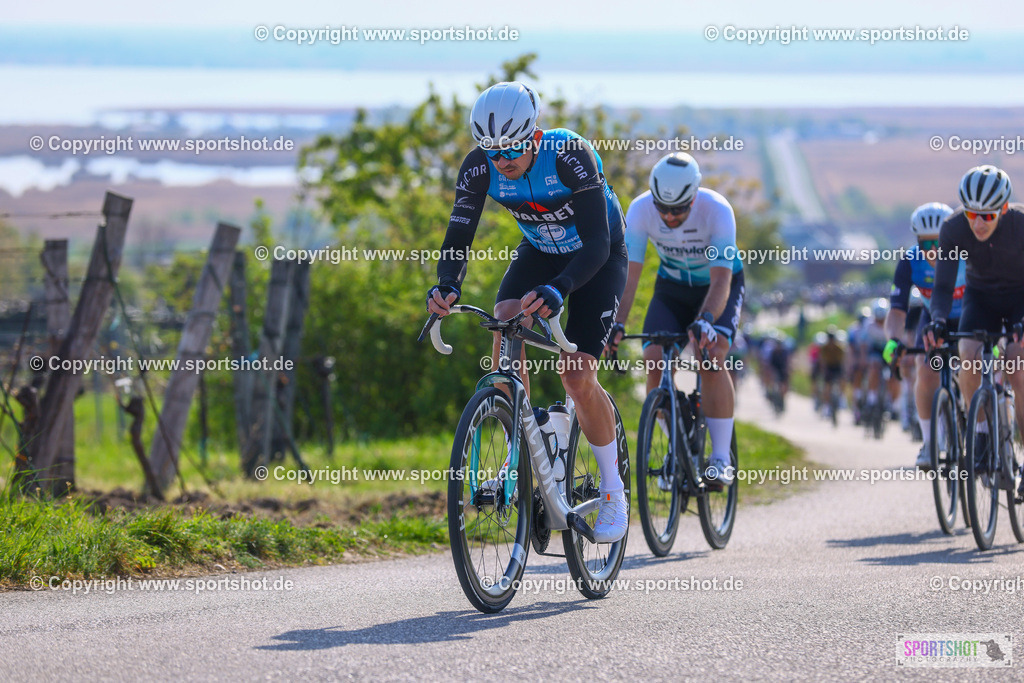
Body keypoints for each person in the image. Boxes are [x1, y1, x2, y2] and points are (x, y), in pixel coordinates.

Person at [427, 81, 629, 541]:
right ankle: (518, 452)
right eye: (492, 152)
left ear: (533, 133)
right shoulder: (480, 168)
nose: (504, 161)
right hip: (539, 249)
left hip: (597, 256)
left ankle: (614, 493)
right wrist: (445, 287)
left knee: (577, 376)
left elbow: (598, 242)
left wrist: (561, 288)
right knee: (504, 318)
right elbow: (459, 238)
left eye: (513, 148)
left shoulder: (570, 153)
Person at [606, 152, 744, 485]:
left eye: (679, 209)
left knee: (709, 354)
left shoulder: (717, 210)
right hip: (671, 289)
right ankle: (673, 449)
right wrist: (617, 323)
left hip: (716, 286)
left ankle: (722, 457)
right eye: (662, 208)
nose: (668, 216)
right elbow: (630, 274)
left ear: (694, 196)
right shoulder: (640, 210)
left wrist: (707, 320)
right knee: (653, 357)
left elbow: (722, 279)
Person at [926, 165, 1024, 489]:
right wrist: (938, 320)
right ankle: (981, 435)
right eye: (972, 213)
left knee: (1016, 362)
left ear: (1004, 209)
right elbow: (941, 287)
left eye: (988, 216)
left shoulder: (1021, 225)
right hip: (980, 297)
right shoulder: (954, 228)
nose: (978, 223)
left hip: (1020, 299)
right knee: (967, 352)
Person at [882, 202, 964, 468]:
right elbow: (896, 311)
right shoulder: (909, 262)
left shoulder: (966, 255)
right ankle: (929, 443)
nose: (933, 252)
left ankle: (984, 432)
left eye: (939, 244)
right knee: (925, 369)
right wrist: (893, 341)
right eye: (925, 244)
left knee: (975, 366)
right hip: (933, 320)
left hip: (970, 316)